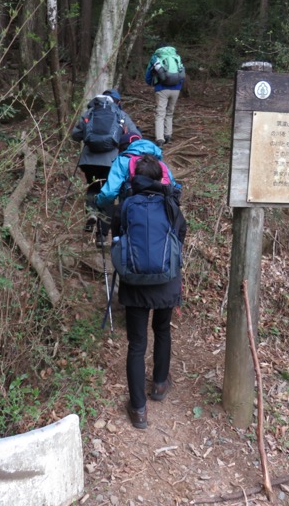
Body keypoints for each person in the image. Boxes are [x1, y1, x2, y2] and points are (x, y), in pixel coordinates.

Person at [111, 154, 187, 429]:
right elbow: (180, 236)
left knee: (137, 343)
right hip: (166, 281)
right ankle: (159, 385)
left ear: (134, 178)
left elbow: (117, 239)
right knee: (163, 330)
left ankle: (139, 409)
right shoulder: (170, 205)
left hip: (134, 283)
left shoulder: (126, 205)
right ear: (159, 178)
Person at [70, 89, 139, 245]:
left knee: (93, 187)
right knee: (108, 195)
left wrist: (88, 136)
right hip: (111, 162)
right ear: (117, 102)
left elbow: (75, 135)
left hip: (89, 162)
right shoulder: (121, 115)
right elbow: (136, 136)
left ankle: (91, 212)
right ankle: (101, 236)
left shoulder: (90, 113)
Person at [94, 132, 179, 212]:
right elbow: (174, 187)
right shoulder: (159, 163)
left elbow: (110, 192)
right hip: (161, 210)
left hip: (132, 211)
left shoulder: (122, 161)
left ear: (122, 148)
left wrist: (98, 203)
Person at [145, 43, 185, 147]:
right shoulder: (176, 56)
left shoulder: (156, 57)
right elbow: (181, 73)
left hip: (161, 89)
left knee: (160, 113)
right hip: (176, 89)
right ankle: (168, 135)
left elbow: (148, 75)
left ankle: (160, 139)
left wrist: (152, 83)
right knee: (170, 112)